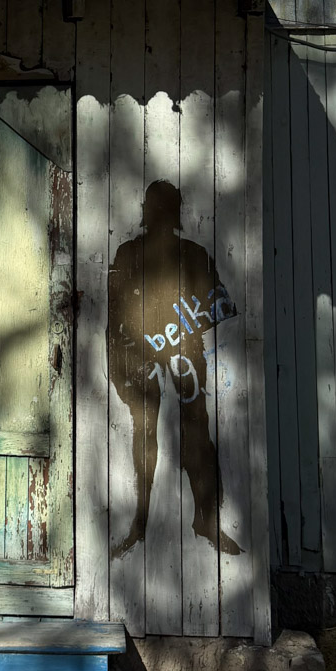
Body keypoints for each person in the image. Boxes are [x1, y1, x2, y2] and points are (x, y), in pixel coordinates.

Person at [108, 180, 241, 557]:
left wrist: (175, 331)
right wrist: (120, 364)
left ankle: (205, 519)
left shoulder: (193, 254)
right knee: (145, 433)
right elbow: (113, 320)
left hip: (183, 353)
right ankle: (141, 522)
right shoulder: (128, 254)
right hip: (142, 357)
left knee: (195, 434)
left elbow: (218, 305)